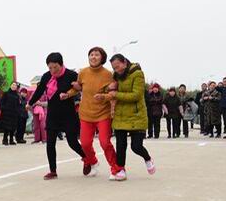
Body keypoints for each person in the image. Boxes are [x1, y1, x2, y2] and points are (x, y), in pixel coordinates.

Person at [28, 52, 86, 180]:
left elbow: (79, 89)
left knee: (72, 142)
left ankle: (86, 158)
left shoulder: (71, 75)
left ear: (61, 64)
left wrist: (71, 92)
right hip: (53, 114)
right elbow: (39, 91)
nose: (53, 70)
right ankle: (53, 171)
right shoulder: (46, 76)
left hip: (68, 114)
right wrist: (30, 103)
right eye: (50, 67)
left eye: (55, 67)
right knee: (50, 143)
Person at [63, 47, 118, 177]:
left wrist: (104, 97)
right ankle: (92, 161)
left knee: (105, 143)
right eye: (91, 54)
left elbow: (113, 93)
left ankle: (116, 169)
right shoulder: (83, 72)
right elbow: (78, 88)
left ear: (102, 58)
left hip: (103, 114)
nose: (93, 57)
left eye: (96, 55)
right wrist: (68, 94)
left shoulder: (108, 74)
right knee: (85, 144)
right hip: (86, 114)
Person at [105, 54, 155, 181]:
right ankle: (121, 170)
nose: (116, 70)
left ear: (125, 62)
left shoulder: (137, 74)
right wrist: (108, 88)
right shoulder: (116, 75)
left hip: (136, 115)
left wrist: (116, 94)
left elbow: (136, 95)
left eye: (118, 66)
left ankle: (148, 159)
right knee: (120, 145)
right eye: (114, 68)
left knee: (136, 146)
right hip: (120, 114)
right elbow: (109, 89)